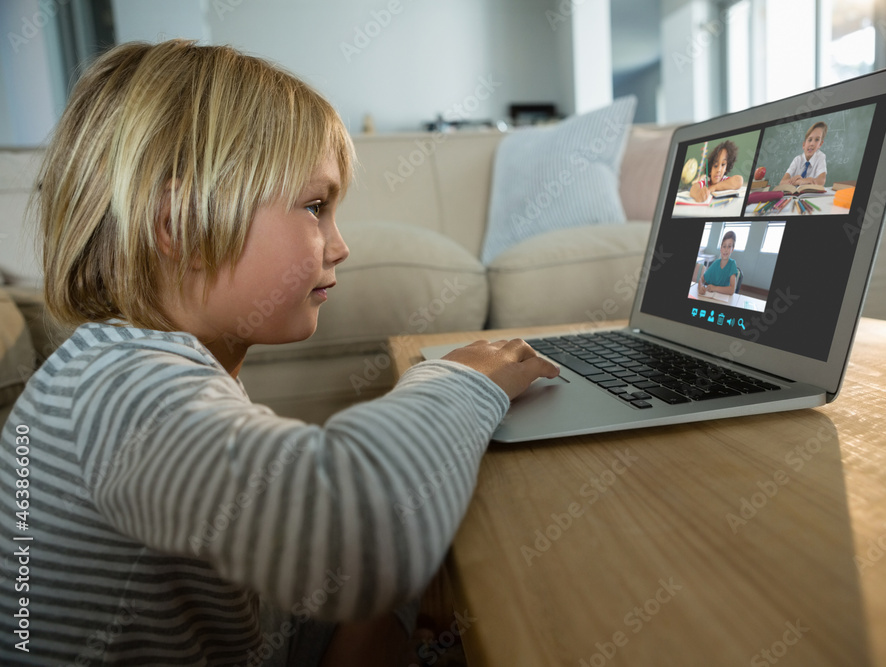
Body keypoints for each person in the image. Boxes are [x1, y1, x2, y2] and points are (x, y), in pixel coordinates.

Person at [0, 40, 558, 666]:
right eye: (316, 207)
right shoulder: (121, 387)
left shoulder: (126, 363)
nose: (339, 245)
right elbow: (360, 537)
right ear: (180, 222)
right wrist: (459, 381)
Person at [781, 121, 828, 187]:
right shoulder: (797, 160)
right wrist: (800, 181)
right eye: (810, 140)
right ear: (803, 145)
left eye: (817, 140)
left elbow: (821, 181)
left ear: (820, 144)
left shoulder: (820, 157)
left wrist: (802, 181)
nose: (812, 143)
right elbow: (782, 182)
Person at [698, 231, 739, 296]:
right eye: (724, 246)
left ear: (732, 249)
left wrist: (715, 288)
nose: (726, 250)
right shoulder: (715, 263)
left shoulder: (732, 264)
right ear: (721, 248)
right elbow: (702, 279)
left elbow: (732, 290)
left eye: (729, 246)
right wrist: (701, 286)